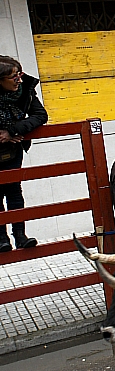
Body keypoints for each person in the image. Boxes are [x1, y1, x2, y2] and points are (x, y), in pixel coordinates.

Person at [0, 56, 46, 250]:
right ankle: (2, 239)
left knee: (14, 190)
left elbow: (40, 115)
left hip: (13, 150)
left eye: (19, 74)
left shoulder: (25, 89)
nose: (18, 80)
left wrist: (13, 130)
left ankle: (20, 235)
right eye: (13, 77)